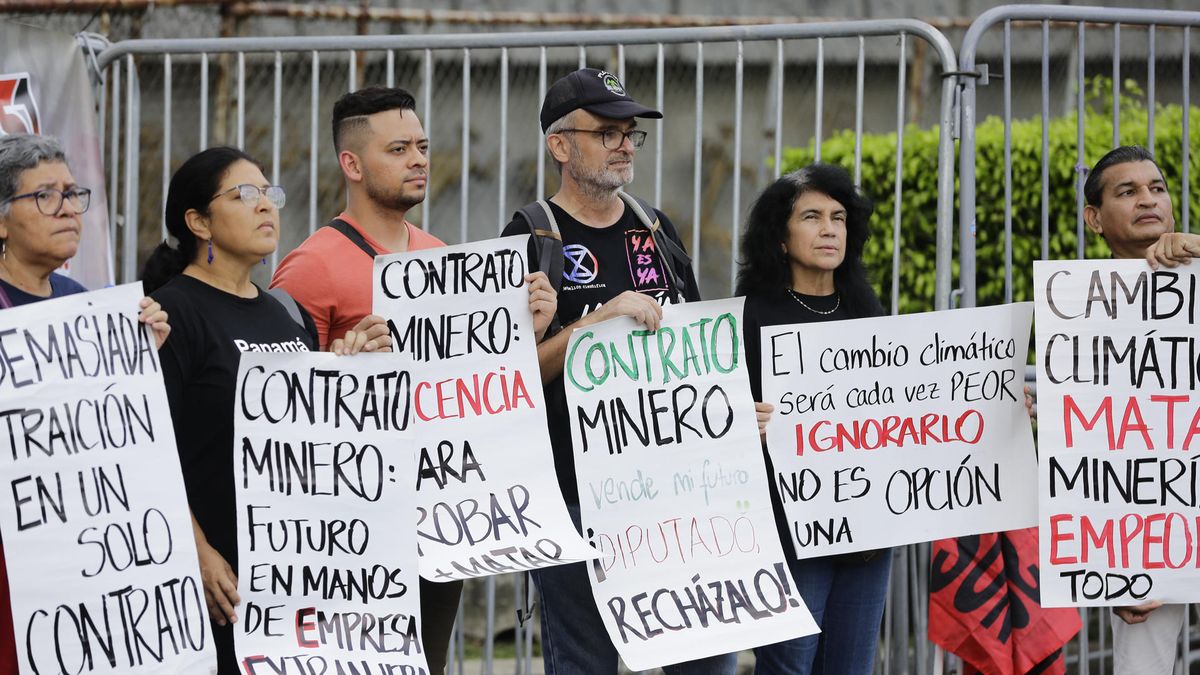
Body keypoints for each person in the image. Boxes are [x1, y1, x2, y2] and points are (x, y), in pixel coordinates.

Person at [270, 86, 556, 675]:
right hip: (355, 525)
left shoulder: (439, 254)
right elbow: (278, 406)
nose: (419, 160)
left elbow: (475, 384)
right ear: (351, 164)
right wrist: (344, 369)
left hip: (440, 512)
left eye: (422, 146)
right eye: (398, 149)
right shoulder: (311, 265)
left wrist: (527, 330)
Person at [500, 67, 735, 675]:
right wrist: (596, 322)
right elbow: (507, 379)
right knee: (589, 665)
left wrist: (737, 408)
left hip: (679, 492)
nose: (625, 144)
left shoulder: (656, 229)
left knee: (708, 660)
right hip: (577, 495)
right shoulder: (529, 237)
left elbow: (699, 347)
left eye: (630, 133)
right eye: (607, 132)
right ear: (560, 145)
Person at [141, 146, 389, 674]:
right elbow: (148, 449)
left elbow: (304, 434)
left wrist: (345, 369)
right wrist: (198, 551)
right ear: (198, 222)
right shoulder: (172, 313)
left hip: (292, 579)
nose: (266, 207)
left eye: (269, 194)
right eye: (244, 195)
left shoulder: (284, 312)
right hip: (218, 581)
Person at [0, 133, 170, 672]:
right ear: (2, 221)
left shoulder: (81, 302)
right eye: (45, 196)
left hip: (71, 552)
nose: (68, 209)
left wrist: (142, 356)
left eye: (74, 193)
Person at [737, 164, 890, 675]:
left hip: (866, 536)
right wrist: (740, 417)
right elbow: (707, 420)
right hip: (787, 534)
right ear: (780, 237)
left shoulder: (868, 313)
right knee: (788, 667)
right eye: (812, 217)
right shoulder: (746, 317)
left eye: (839, 217)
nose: (829, 229)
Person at [1082, 145, 1200, 675]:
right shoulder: (1077, 307)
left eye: (1156, 187)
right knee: (1142, 666)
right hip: (1149, 527)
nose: (1147, 199)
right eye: (1126, 192)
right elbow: (1088, 438)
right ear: (1094, 219)